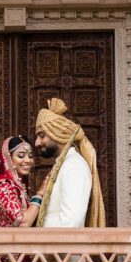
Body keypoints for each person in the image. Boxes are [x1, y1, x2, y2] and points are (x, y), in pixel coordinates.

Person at [35, 98, 105, 228]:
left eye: (41, 135)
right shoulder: (65, 164)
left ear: (57, 132)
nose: (37, 143)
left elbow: (71, 222)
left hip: (59, 247)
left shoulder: (74, 166)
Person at [0, 135, 46, 228]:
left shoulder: (19, 186)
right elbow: (23, 223)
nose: (28, 160)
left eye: (30, 155)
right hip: (5, 241)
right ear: (9, 159)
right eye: (21, 155)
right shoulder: (4, 187)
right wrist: (40, 193)